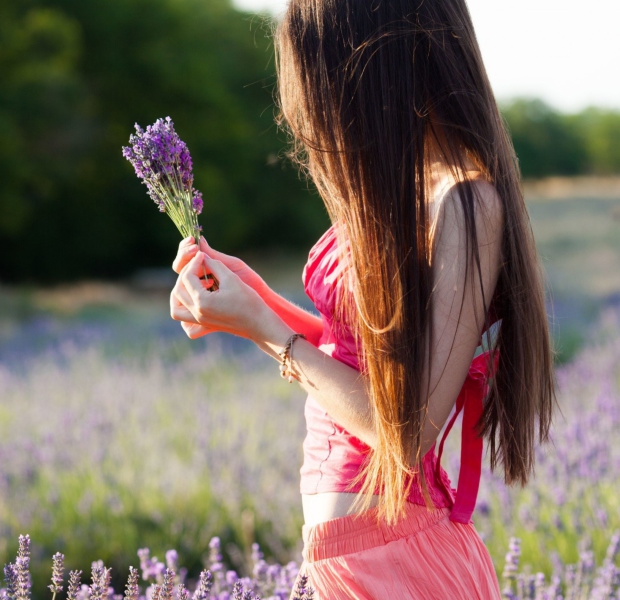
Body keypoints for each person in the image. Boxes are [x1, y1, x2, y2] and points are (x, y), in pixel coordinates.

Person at [168, 0, 557, 597]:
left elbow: (407, 434)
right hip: (346, 560)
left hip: (398, 562)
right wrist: (253, 300)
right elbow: (353, 357)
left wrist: (261, 330)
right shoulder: (398, 191)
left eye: (320, 76)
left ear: (374, 64)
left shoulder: (465, 201)